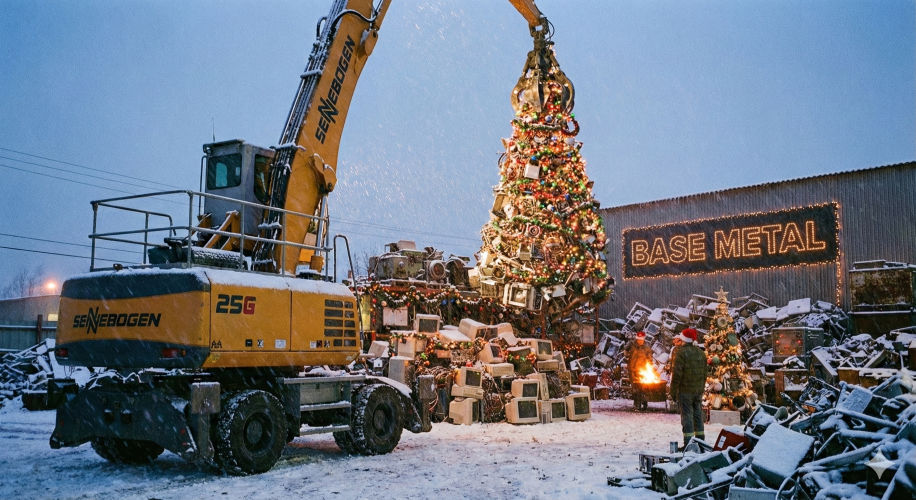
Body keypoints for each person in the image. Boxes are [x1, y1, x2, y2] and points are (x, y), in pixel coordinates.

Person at [670, 328, 707, 447]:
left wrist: (673, 391)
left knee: (687, 417)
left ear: (684, 339)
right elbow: (705, 374)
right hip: (698, 391)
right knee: (698, 415)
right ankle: (700, 442)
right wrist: (700, 388)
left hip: (685, 391)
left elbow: (677, 375)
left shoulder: (681, 353)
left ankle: (689, 445)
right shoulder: (701, 353)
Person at [626, 331, 654, 410]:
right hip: (632, 370)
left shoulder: (646, 348)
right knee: (635, 388)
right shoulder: (632, 345)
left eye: (641, 340)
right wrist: (626, 356)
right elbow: (625, 350)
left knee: (643, 388)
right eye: (639, 340)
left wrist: (650, 368)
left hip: (642, 371)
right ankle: (636, 404)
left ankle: (644, 403)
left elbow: (650, 359)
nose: (640, 341)